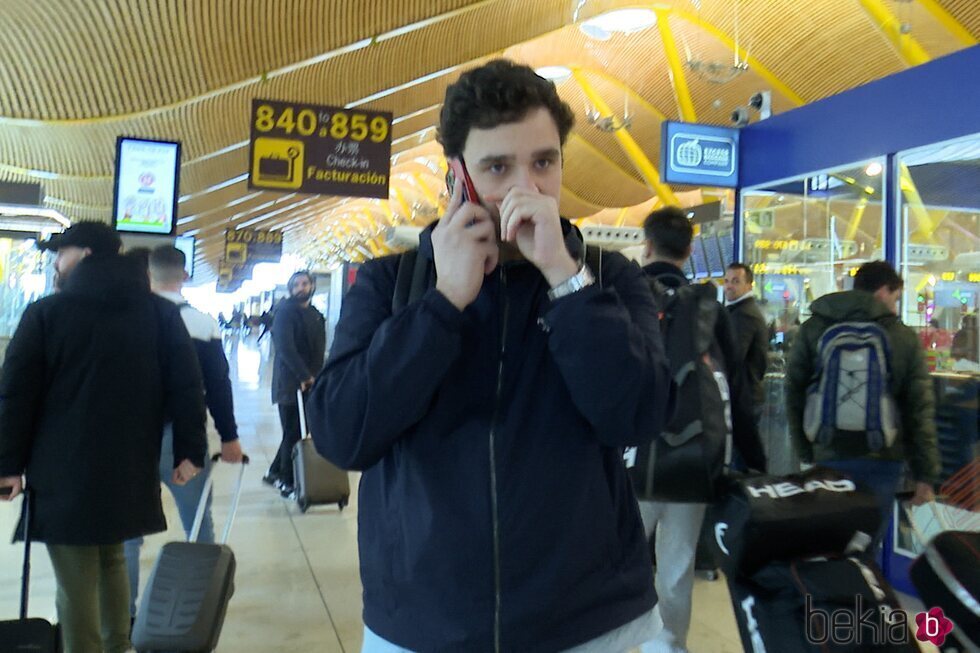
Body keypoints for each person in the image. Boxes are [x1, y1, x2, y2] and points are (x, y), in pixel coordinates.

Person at [308, 60, 673, 652]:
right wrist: (445, 303)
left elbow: (639, 414)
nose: (526, 187)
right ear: (457, 175)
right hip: (425, 624)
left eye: (544, 162)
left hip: (592, 624)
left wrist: (564, 278)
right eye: (498, 167)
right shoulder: (390, 285)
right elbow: (342, 433)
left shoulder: (608, 279)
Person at [0, 221, 206, 653]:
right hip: (129, 467)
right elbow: (187, 386)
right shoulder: (160, 313)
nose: (57, 261)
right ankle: (117, 647)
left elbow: (15, 394)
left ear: (87, 256)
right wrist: (189, 449)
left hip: (62, 472)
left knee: (75, 582)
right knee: (111, 559)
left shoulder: (46, 313)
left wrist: (7, 465)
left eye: (63, 252)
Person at [637, 207, 766, 653]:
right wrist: (753, 460)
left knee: (618, 560)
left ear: (646, 244)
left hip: (632, 456)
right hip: (693, 456)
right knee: (676, 566)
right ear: (690, 251)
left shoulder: (625, 296)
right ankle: (666, 647)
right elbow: (739, 391)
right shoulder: (709, 306)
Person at [123, 245, 245, 619]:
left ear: (147, 275)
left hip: (129, 439)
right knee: (197, 522)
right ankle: (205, 600)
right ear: (185, 275)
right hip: (183, 438)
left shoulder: (126, 318)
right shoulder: (202, 322)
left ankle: (124, 612)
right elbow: (218, 387)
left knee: (126, 532)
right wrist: (229, 437)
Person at [786, 260, 939, 554]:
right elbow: (919, 410)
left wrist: (805, 452)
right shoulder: (902, 336)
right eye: (896, 298)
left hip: (827, 455)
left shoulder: (814, 327)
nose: (895, 306)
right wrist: (925, 476)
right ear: (883, 292)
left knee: (827, 546)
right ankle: (860, 597)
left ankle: (823, 598)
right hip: (882, 458)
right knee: (864, 549)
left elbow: (794, 392)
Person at [264, 270, 325, 498]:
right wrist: (304, 376)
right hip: (290, 385)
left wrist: (317, 377)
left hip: (311, 382)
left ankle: (274, 472)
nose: (302, 288)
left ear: (312, 286)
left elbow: (319, 351)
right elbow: (286, 348)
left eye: (305, 283)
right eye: (297, 284)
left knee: (297, 430)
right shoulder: (285, 313)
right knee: (294, 433)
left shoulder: (316, 314)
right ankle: (287, 480)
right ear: (291, 289)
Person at [723, 263, 769, 423]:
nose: (729, 286)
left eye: (735, 281)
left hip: (743, 399)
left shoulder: (744, 315)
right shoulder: (739, 311)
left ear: (749, 286)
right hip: (745, 397)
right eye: (726, 281)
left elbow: (732, 357)